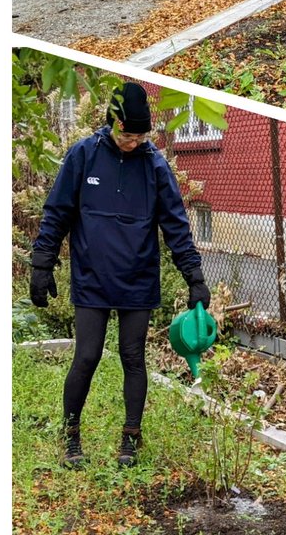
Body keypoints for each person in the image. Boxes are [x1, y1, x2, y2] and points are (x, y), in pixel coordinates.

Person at [30, 83, 211, 469]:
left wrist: (193, 275)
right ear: (111, 124)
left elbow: (175, 225)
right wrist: (42, 263)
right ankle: (70, 435)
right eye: (127, 134)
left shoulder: (155, 165)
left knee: (133, 357)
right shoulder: (83, 155)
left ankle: (131, 438)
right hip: (92, 278)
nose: (133, 142)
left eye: (140, 136)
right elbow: (57, 211)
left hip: (138, 278)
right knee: (87, 355)